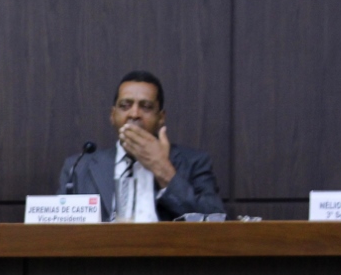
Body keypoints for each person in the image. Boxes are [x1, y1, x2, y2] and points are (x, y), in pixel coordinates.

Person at [57, 71, 225, 222]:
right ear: (112, 115)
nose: (134, 114)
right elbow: (59, 229)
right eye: (125, 106)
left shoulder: (194, 162)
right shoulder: (79, 167)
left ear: (161, 117)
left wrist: (163, 170)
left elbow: (215, 221)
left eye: (146, 107)